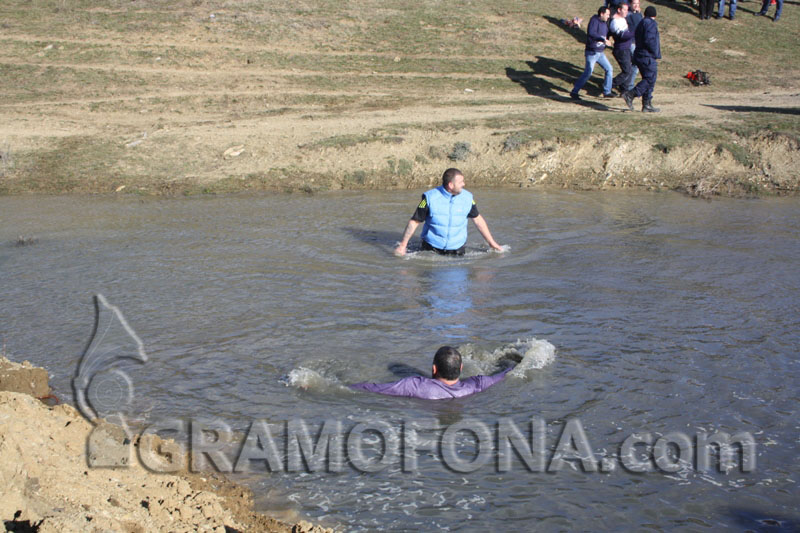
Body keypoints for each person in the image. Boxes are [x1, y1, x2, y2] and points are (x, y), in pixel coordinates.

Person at [394, 168, 503, 256]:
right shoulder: (429, 198)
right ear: (451, 185)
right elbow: (414, 222)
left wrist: (492, 243)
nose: (464, 184)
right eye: (461, 182)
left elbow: (478, 220)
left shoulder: (468, 198)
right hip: (431, 248)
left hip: (457, 249)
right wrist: (403, 245)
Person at [350, 346, 513, 400]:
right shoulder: (476, 385)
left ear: (434, 369)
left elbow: (374, 388)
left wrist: (345, 385)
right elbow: (505, 373)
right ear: (461, 368)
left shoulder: (415, 386)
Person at [570, 6, 615, 101]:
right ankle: (574, 92)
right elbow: (592, 33)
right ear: (601, 14)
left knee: (609, 69)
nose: (608, 16)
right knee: (588, 73)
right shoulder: (594, 20)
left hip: (600, 53)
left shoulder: (604, 23)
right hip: (592, 52)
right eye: (607, 14)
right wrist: (603, 39)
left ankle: (607, 92)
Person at [622, 6, 661, 113]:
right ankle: (631, 94)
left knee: (648, 79)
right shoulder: (651, 24)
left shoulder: (641, 22)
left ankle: (646, 104)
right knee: (650, 79)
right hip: (647, 56)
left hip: (639, 54)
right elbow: (650, 40)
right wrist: (654, 51)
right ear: (655, 15)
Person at [609, 2, 636, 94]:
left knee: (631, 68)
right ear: (619, 10)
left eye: (627, 10)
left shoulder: (623, 19)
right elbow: (622, 36)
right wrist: (635, 32)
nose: (626, 12)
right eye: (624, 9)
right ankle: (609, 85)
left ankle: (624, 88)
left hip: (626, 48)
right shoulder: (614, 22)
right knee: (626, 71)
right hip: (621, 50)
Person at [624, 0, 643, 91]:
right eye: (634, 3)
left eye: (637, 4)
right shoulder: (629, 15)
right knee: (635, 65)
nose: (636, 5)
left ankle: (625, 83)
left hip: (637, 42)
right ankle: (629, 86)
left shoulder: (637, 14)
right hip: (632, 42)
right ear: (630, 4)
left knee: (633, 66)